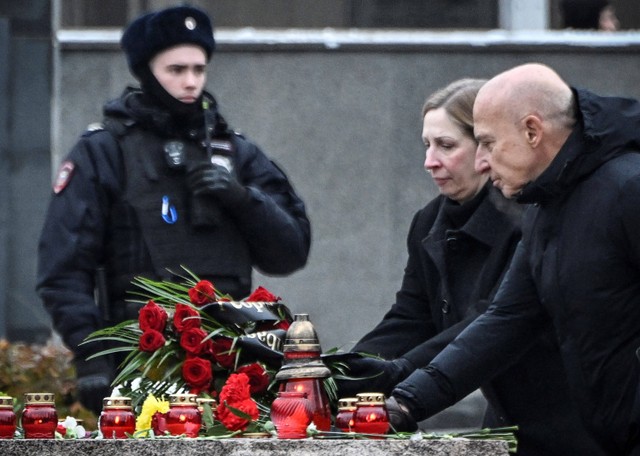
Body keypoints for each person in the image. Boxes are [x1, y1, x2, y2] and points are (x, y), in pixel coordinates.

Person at [36, 5, 310, 416]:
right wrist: (93, 354)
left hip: (231, 358)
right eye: (176, 69)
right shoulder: (105, 151)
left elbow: (291, 252)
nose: (190, 82)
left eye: (199, 70)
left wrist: (242, 199)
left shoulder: (236, 152)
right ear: (146, 71)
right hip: (140, 355)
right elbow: (63, 269)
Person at [386, 63, 640, 455]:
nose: (482, 161)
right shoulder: (543, 205)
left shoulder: (628, 187)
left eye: (487, 142)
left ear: (532, 131)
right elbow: (508, 318)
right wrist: (406, 401)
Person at [336, 79, 600, 455]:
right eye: (426, 146)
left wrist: (398, 377)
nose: (430, 161)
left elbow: (491, 322)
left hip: (572, 420)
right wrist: (346, 372)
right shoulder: (429, 223)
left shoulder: (530, 221)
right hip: (506, 418)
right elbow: (411, 316)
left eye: (446, 146)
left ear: (487, 147)